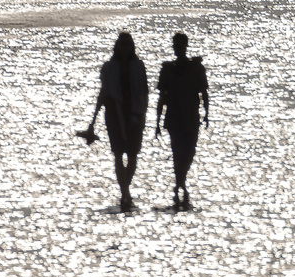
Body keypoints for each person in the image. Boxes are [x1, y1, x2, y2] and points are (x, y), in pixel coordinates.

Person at [85, 31, 148, 211]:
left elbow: (145, 92)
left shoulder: (139, 66)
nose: (125, 48)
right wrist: (93, 120)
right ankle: (125, 194)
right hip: (114, 113)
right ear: (117, 46)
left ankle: (125, 190)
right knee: (119, 154)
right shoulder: (108, 68)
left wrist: (143, 114)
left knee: (133, 155)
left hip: (135, 114)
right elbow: (104, 93)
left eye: (128, 44)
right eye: (122, 44)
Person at [155, 32, 210, 210]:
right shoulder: (167, 69)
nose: (177, 48)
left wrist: (207, 113)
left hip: (191, 116)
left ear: (185, 47)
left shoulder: (196, 68)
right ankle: (181, 185)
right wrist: (157, 121)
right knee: (178, 151)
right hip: (174, 118)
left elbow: (203, 92)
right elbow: (162, 97)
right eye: (175, 45)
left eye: (180, 45)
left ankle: (180, 183)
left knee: (189, 152)